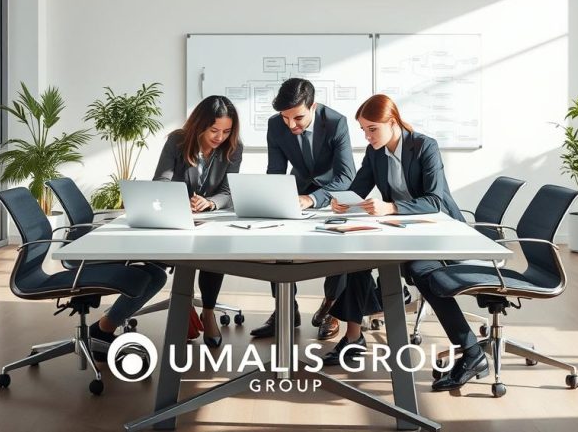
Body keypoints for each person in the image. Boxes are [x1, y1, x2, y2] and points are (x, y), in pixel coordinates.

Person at [325, 94, 487, 392]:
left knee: (423, 271)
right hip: (400, 228)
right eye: (363, 130)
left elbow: (435, 200)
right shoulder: (375, 153)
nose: (367, 136)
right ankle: (353, 339)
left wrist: (391, 208)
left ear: (392, 122)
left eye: (372, 129)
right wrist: (343, 203)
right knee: (356, 262)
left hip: (438, 230)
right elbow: (359, 188)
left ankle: (472, 353)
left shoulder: (424, 146)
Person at [250, 78, 356, 341]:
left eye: (297, 118)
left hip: (331, 195)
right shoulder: (276, 124)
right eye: (285, 118)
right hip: (295, 194)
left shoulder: (335, 122)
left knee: (338, 250)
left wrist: (313, 198)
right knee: (277, 245)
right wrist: (271, 200)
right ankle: (286, 309)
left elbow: (346, 176)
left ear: (313, 106)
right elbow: (276, 171)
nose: (291, 125)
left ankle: (332, 307)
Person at [153, 95, 243, 348]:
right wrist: (183, 202)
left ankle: (209, 310)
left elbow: (229, 191)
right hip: (176, 217)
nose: (220, 137)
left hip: (210, 219)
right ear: (200, 125)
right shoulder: (178, 141)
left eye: (226, 131)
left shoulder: (233, 147)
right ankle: (184, 305)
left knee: (216, 252)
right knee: (182, 253)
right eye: (214, 130)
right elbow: (161, 182)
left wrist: (210, 203)